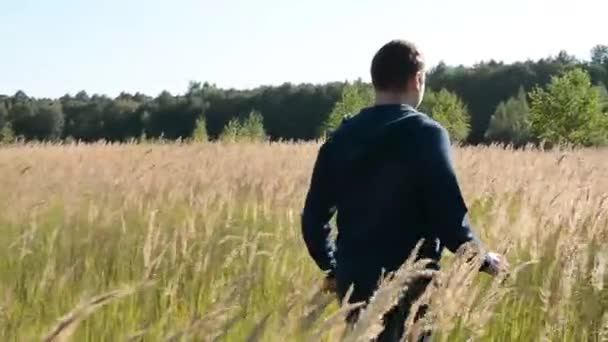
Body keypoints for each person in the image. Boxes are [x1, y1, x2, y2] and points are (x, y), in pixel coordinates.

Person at [300, 39, 507, 341]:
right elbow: (449, 217)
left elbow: (314, 218)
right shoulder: (426, 134)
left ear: (375, 81)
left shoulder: (342, 137)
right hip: (409, 285)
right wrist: (483, 259)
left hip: (354, 283)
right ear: (418, 79)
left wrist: (332, 266)